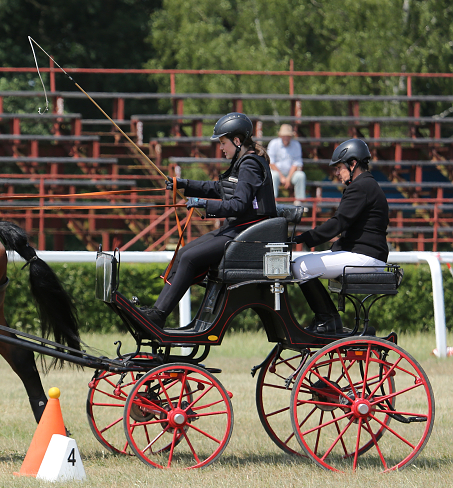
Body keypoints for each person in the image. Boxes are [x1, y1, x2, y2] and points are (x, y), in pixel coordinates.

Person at [139, 113, 278, 328]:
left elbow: (239, 206)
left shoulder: (249, 165)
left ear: (237, 141)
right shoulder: (241, 162)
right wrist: (184, 184)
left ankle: (158, 316)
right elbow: (219, 189)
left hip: (247, 233)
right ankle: (157, 312)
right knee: (184, 253)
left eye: (223, 142)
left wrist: (204, 205)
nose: (221, 147)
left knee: (190, 258)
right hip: (237, 229)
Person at [292, 138, 389, 333]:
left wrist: (303, 238)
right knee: (301, 264)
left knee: (300, 267)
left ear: (353, 164)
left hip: (366, 258)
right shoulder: (367, 185)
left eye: (338, 168)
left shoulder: (360, 187)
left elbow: (338, 223)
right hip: (367, 255)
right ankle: (328, 319)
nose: (336, 173)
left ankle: (327, 320)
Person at [267, 124, 306, 204]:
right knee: (273, 176)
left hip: (291, 174)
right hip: (276, 173)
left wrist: (288, 178)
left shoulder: (296, 145)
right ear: (280, 136)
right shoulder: (273, 144)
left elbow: (296, 163)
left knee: (301, 176)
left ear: (291, 136)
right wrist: (282, 177)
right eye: (284, 135)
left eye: (288, 136)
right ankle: (272, 202)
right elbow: (271, 162)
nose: (286, 138)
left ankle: (300, 204)